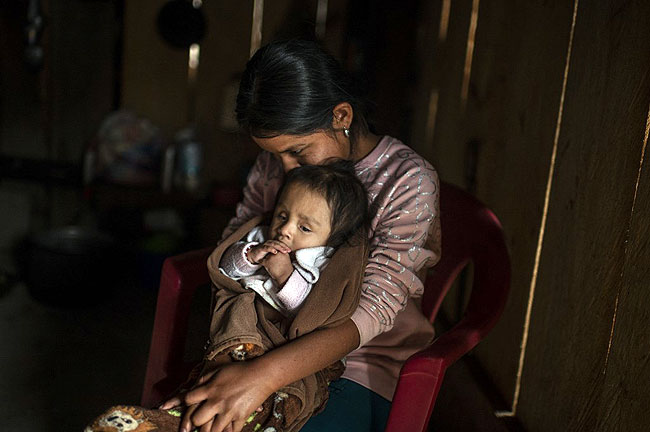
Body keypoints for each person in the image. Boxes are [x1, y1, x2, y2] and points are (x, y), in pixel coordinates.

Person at [158, 39, 442, 432]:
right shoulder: (272, 168)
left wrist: (263, 377)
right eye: (275, 155)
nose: (287, 170)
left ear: (341, 116)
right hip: (262, 340)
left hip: (360, 364)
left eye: (298, 151)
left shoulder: (407, 181)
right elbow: (235, 254)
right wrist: (232, 354)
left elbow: (373, 310)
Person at [218, 160, 369, 317]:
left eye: (304, 228)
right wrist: (250, 256)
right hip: (240, 312)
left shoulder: (323, 263)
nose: (284, 230)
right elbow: (225, 269)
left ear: (334, 239)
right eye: (282, 216)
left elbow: (310, 313)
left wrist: (284, 275)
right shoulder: (260, 237)